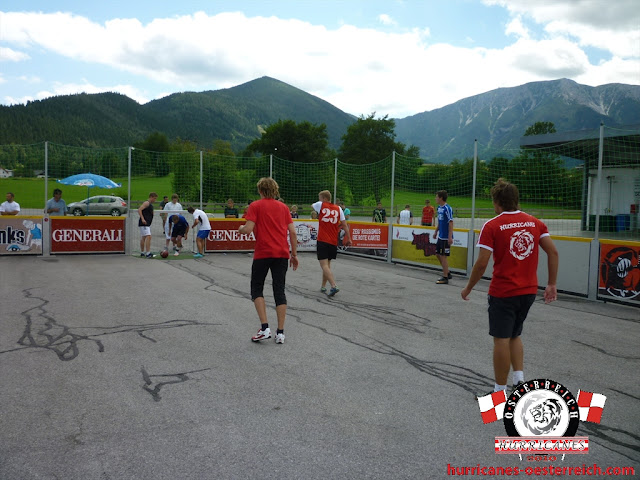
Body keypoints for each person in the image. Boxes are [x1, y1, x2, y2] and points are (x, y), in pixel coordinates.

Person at [461, 179, 558, 393]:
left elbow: (482, 263)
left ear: (497, 202)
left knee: (501, 340)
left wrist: (468, 288)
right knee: (515, 334)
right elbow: (553, 252)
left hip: (504, 291)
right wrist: (551, 283)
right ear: (516, 200)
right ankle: (519, 379)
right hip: (529, 290)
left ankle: (499, 392)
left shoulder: (492, 225)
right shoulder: (535, 223)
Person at [238, 177, 299, 344]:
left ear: (260, 191)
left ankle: (265, 328)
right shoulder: (284, 207)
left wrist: (241, 229)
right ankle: (280, 332)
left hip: (263, 253)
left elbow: (248, 228)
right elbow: (293, 233)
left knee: (257, 288)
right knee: (279, 290)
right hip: (281, 253)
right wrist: (294, 254)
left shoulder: (256, 205)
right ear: (275, 190)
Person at [311, 190, 351, 296]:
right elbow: (345, 225)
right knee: (327, 265)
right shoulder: (338, 209)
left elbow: (312, 206)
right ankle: (323, 286)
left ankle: (333, 285)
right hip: (333, 241)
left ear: (324, 198)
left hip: (323, 239)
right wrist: (349, 238)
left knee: (323, 265)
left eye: (320, 198)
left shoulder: (320, 205)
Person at [433, 191, 454, 284]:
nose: (435, 198)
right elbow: (440, 221)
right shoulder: (439, 208)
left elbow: (451, 222)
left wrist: (450, 237)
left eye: (436, 197)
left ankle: (445, 277)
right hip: (440, 236)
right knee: (438, 254)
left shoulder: (447, 208)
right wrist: (436, 231)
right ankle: (447, 272)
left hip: (446, 237)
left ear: (441, 198)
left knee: (443, 256)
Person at [138, 192, 158, 258]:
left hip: (147, 223)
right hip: (144, 223)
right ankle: (148, 253)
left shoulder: (150, 205)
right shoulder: (146, 203)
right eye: (154, 198)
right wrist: (143, 219)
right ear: (151, 197)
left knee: (143, 237)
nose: (155, 200)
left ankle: (142, 252)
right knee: (148, 236)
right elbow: (139, 210)